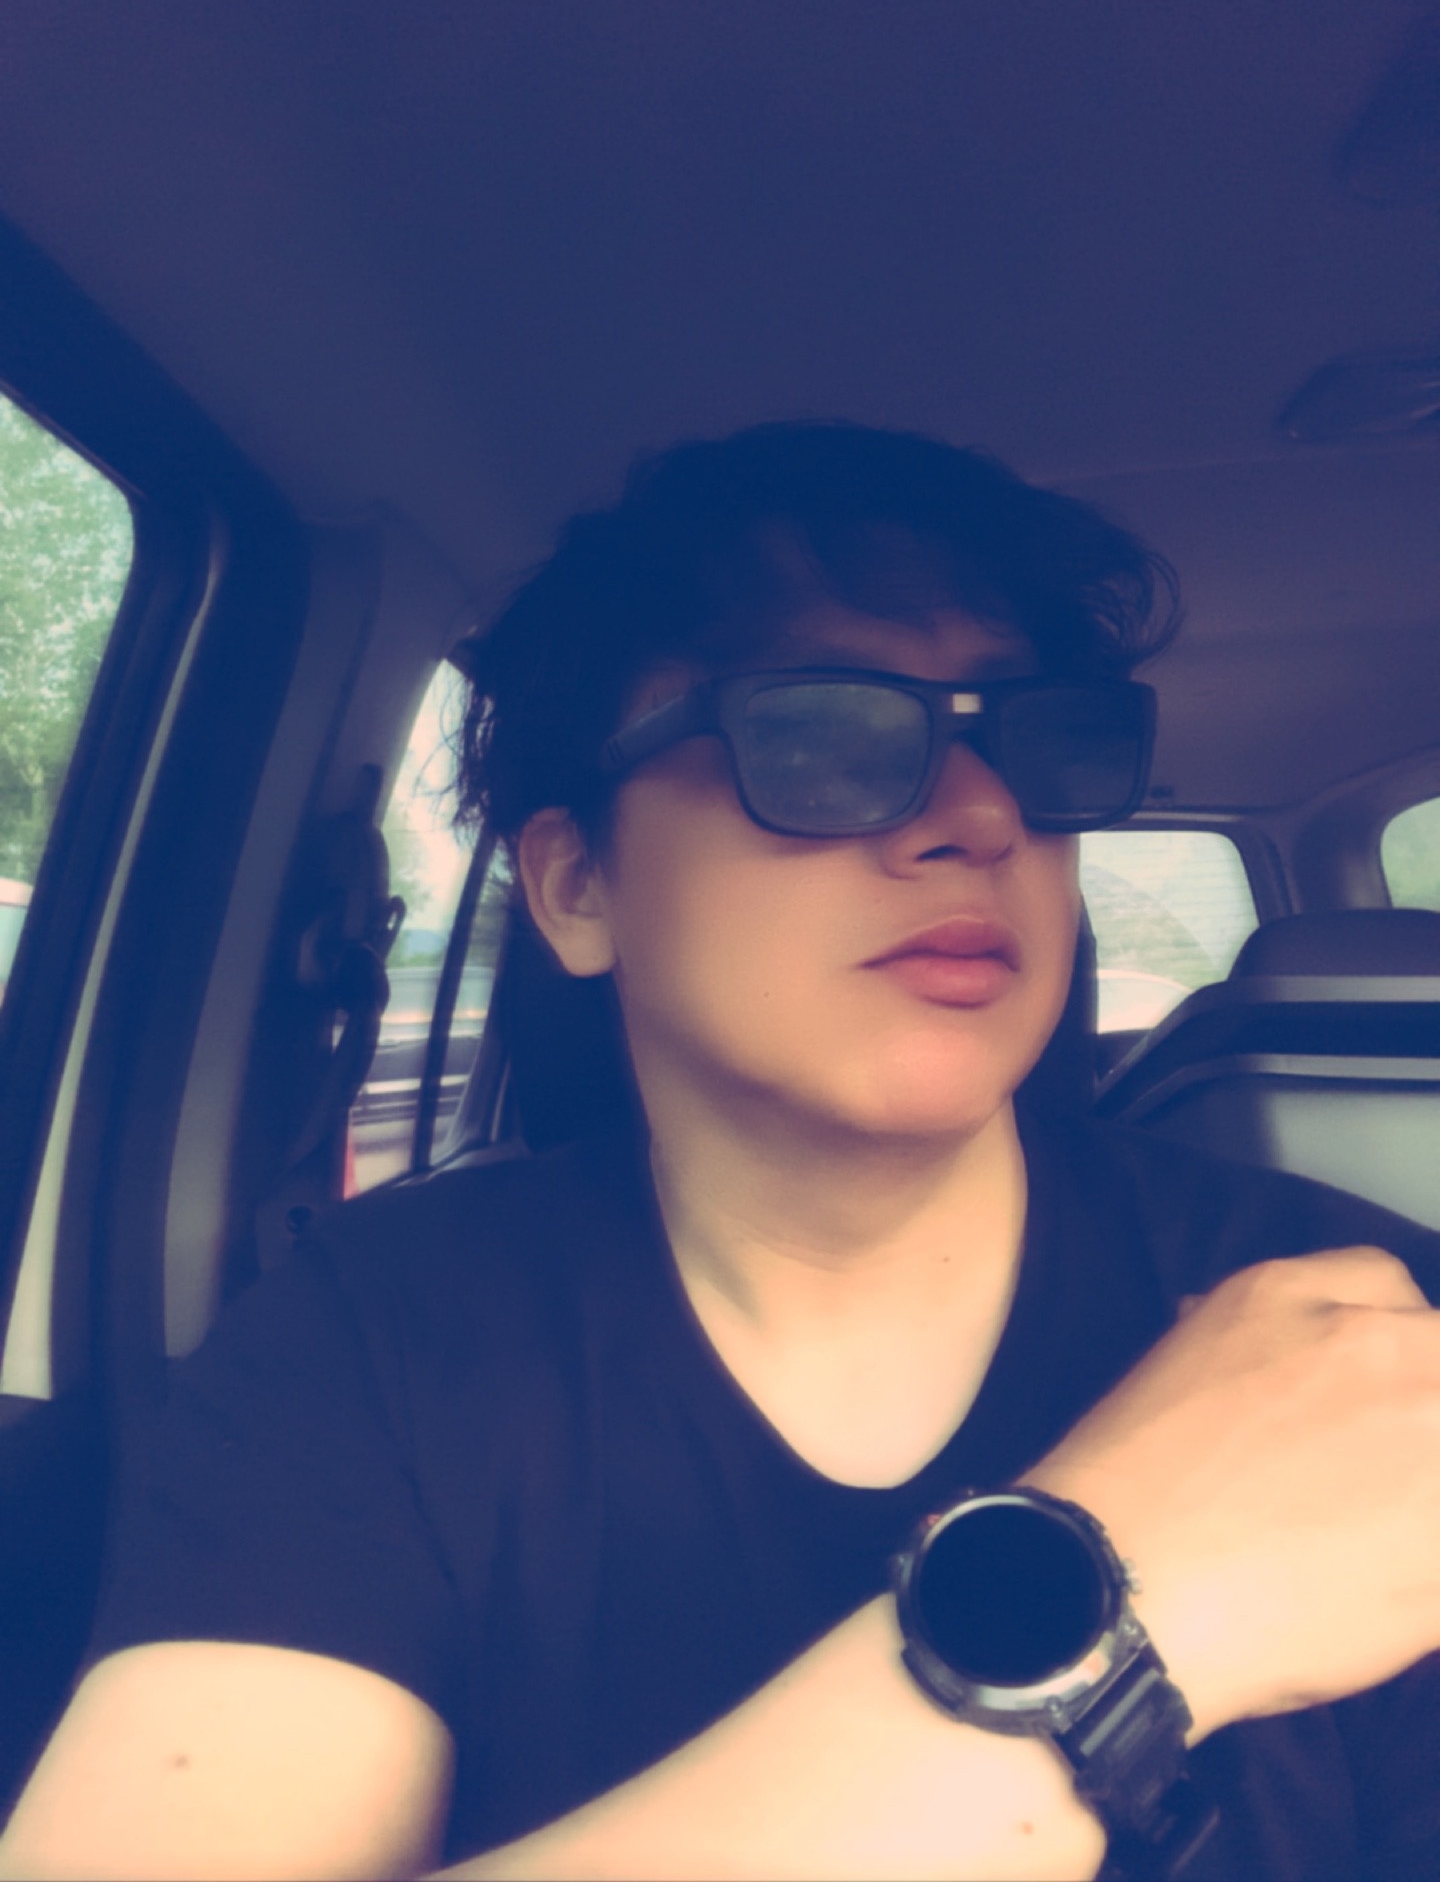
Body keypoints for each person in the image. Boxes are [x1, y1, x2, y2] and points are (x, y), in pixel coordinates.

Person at [2, 422, 1438, 1882]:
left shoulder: (1364, 1330)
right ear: (577, 887)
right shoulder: (368, 1343)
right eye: (819, 735)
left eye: (1034, 741)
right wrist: (1124, 1610)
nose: (984, 814)